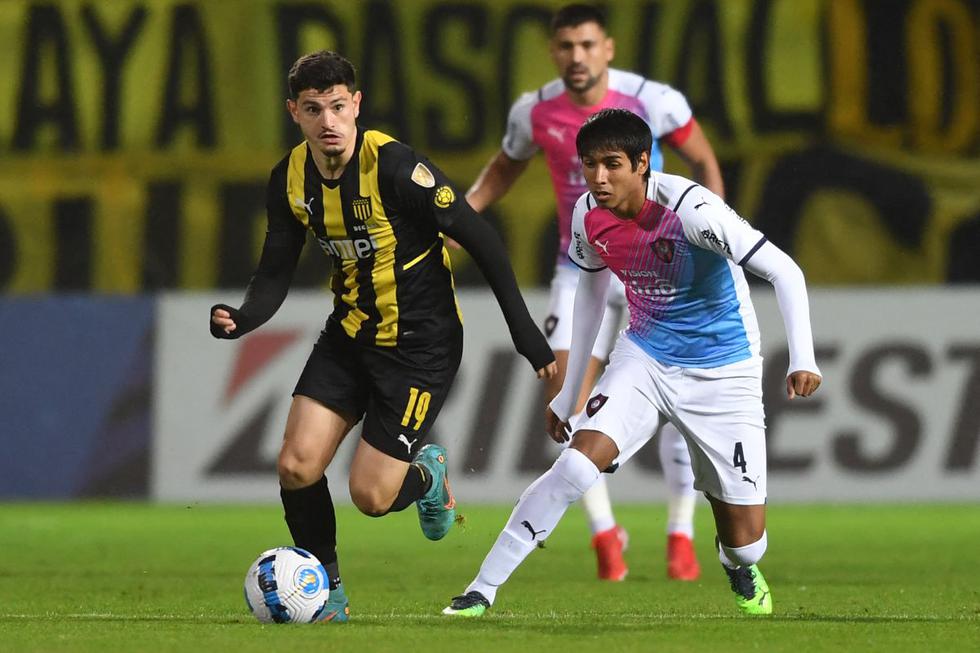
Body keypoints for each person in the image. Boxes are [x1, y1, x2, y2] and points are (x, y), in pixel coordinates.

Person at [210, 50, 556, 623]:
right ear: (293, 112)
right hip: (348, 337)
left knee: (371, 498)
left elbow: (481, 238)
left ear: (357, 106)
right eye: (314, 109)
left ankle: (427, 476)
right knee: (297, 465)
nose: (328, 121)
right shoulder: (289, 178)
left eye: (338, 107)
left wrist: (524, 334)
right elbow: (275, 268)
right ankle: (329, 594)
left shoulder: (395, 168)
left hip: (421, 347)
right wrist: (244, 317)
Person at [443, 108, 822, 617]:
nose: (598, 178)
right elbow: (593, 288)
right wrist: (570, 389)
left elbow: (785, 271)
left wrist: (804, 358)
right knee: (576, 466)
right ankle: (481, 590)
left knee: (748, 542)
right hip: (645, 356)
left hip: (723, 373)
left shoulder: (694, 211)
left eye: (612, 164)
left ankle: (735, 563)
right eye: (590, 165)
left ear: (643, 163)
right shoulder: (587, 214)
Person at [463, 3, 724, 582]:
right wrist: (458, 219)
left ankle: (680, 532)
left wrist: (711, 235)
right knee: (566, 399)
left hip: (659, 267)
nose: (575, 57)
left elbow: (702, 157)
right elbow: (504, 168)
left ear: (607, 47)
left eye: (586, 46)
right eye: (565, 48)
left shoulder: (653, 101)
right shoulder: (534, 111)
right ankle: (607, 535)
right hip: (577, 270)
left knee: (681, 404)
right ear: (553, 52)